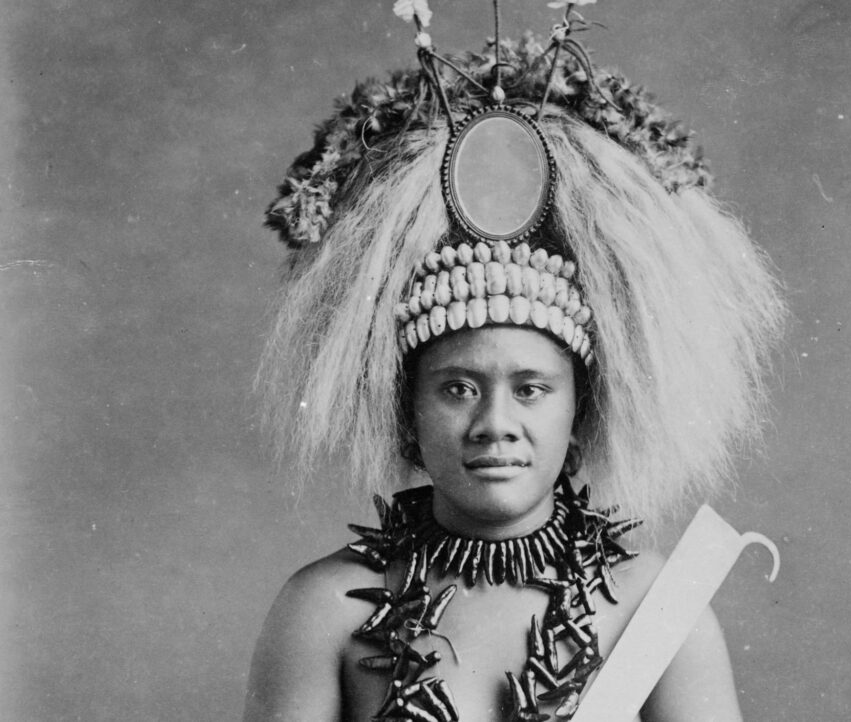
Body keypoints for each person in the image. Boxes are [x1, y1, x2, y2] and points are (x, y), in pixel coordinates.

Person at [244, 8, 784, 721]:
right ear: (406, 410)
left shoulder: (659, 610)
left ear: (580, 409)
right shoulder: (326, 611)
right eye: (457, 388)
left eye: (531, 389)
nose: (495, 423)